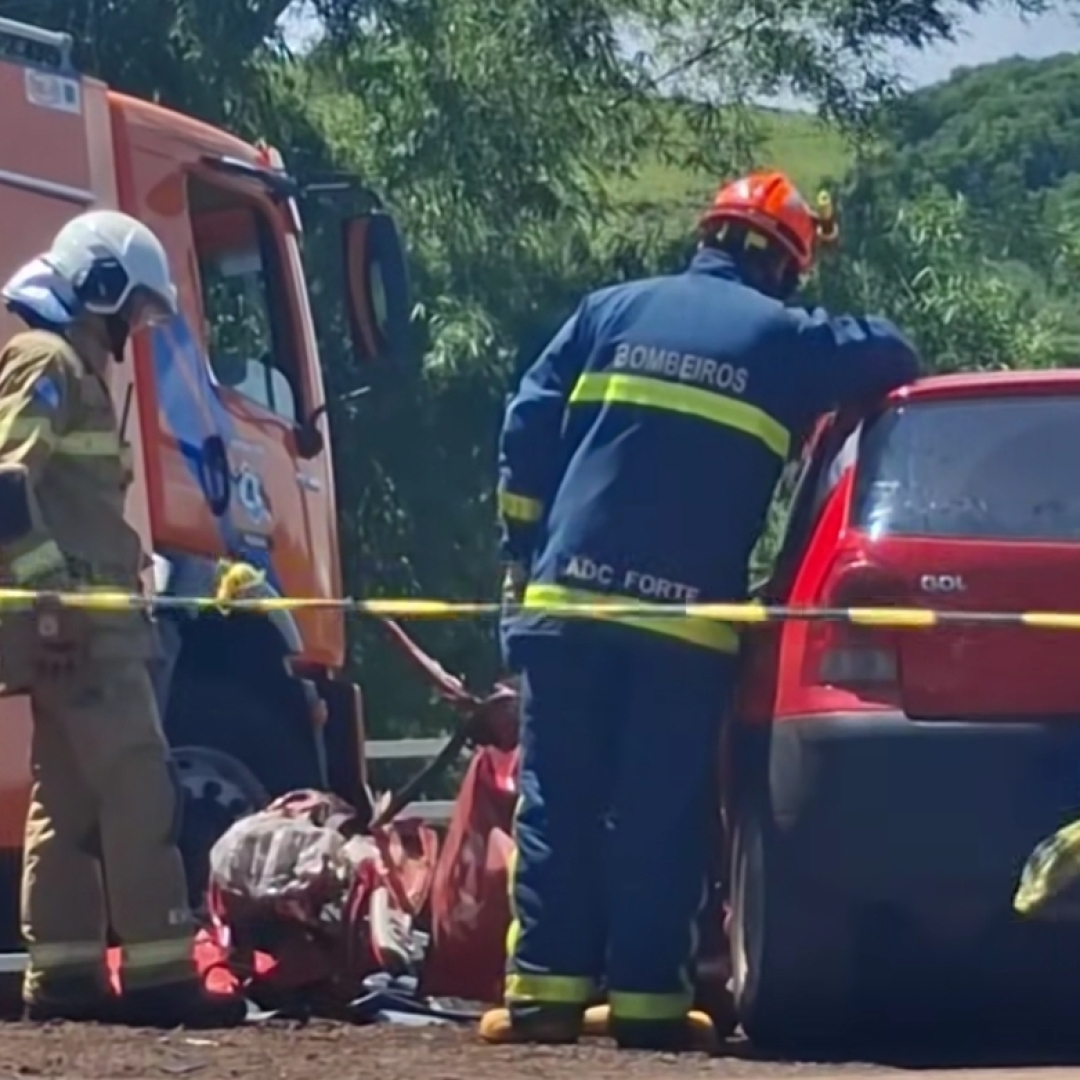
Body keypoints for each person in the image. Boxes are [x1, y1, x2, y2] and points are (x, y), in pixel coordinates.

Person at [483, 171, 921, 1052]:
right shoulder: (788, 339)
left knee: (556, 798)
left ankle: (542, 999)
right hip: (681, 629)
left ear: (708, 234)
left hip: (566, 608)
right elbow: (893, 354)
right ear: (787, 266)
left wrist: (523, 547)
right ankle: (648, 1004)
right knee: (661, 807)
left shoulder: (607, 310)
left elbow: (528, 420)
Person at [0, 210, 244, 1028]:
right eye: (130, 309)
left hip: (77, 622)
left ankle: (65, 974)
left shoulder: (65, 365)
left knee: (65, 801)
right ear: (97, 284)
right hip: (82, 624)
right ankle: (159, 973)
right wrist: (48, 600)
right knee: (140, 786)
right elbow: (5, 485)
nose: (131, 329)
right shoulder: (49, 360)